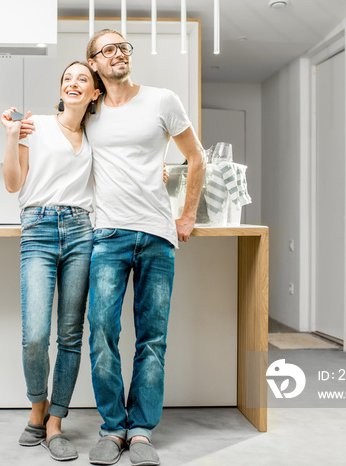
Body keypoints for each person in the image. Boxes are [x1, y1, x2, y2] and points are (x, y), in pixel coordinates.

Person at [83, 30, 206, 466]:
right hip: (108, 236)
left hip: (156, 235)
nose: (119, 53)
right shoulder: (87, 111)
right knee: (102, 334)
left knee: (153, 339)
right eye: (108, 49)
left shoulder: (161, 100)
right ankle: (112, 427)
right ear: (94, 64)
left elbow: (196, 157)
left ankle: (140, 432)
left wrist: (187, 214)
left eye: (124, 47)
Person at [1, 61, 102, 462]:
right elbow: (13, 184)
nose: (73, 83)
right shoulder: (35, 125)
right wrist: (11, 137)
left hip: (82, 232)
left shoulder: (98, 136)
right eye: (67, 78)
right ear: (61, 90)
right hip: (38, 228)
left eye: (83, 79)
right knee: (35, 336)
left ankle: (56, 421)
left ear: (95, 93)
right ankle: (37, 407)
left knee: (71, 336)